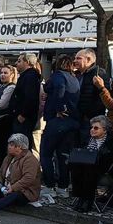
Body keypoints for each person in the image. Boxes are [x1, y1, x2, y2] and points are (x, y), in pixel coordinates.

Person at [39, 54, 81, 198]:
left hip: (57, 121)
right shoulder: (74, 78)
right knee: (63, 155)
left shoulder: (58, 76)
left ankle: (49, 185)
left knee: (45, 153)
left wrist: (59, 108)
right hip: (72, 121)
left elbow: (59, 90)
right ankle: (63, 187)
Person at [68, 116, 113, 213]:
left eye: (96, 128)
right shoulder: (87, 140)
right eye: (91, 127)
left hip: (105, 169)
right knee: (78, 167)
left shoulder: (112, 142)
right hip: (86, 167)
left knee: (89, 169)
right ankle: (81, 198)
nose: (92, 130)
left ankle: (87, 200)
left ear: (104, 129)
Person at [74, 49, 108, 140]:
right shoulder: (80, 74)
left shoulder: (98, 74)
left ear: (88, 59)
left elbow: (102, 98)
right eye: (75, 58)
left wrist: (89, 114)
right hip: (81, 118)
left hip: (90, 120)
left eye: (78, 58)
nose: (75, 61)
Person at [11, 53, 42, 151]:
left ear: (27, 62)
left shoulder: (30, 77)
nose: (16, 63)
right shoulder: (27, 76)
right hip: (21, 116)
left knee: (21, 146)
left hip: (24, 118)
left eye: (19, 61)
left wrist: (23, 115)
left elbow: (30, 97)